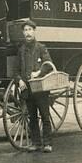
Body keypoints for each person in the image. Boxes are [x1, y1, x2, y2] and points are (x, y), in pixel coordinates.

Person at [14, 19, 54, 153]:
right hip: (28, 88)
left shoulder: (41, 48)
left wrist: (39, 72)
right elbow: (16, 70)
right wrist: (19, 80)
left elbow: (48, 65)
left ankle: (47, 143)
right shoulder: (21, 50)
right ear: (23, 33)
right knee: (32, 117)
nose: (28, 33)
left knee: (45, 115)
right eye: (25, 30)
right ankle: (36, 142)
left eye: (30, 30)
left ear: (34, 31)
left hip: (40, 88)